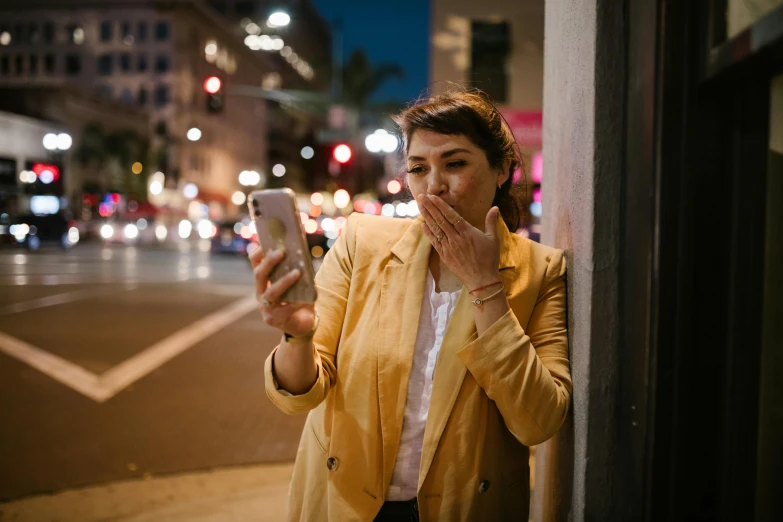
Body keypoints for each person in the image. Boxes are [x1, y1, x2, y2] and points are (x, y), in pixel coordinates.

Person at [249, 89, 572, 522]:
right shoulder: (363, 243)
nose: (433, 185)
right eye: (419, 169)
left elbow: (539, 420)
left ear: (502, 170)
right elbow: (299, 396)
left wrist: (484, 284)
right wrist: (298, 335)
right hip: (346, 501)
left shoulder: (540, 270)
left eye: (455, 164)